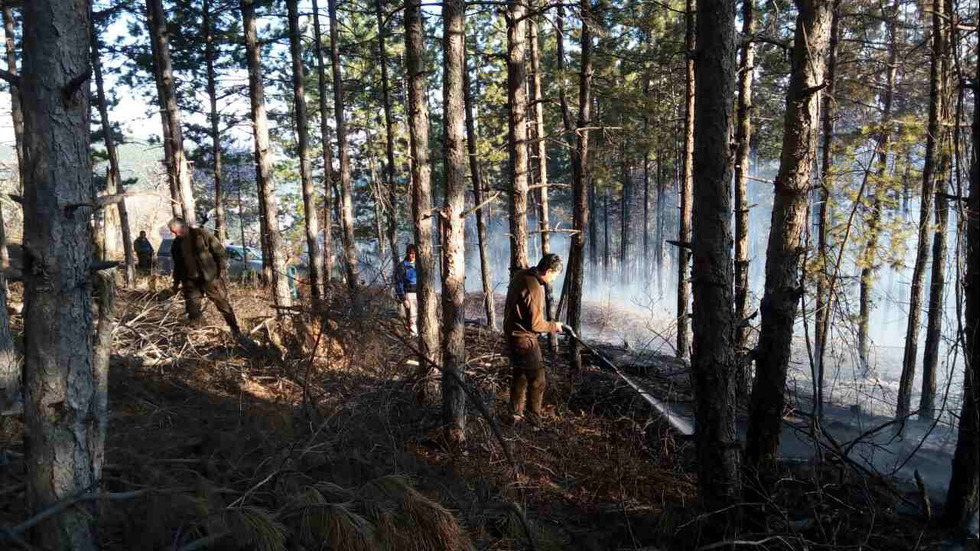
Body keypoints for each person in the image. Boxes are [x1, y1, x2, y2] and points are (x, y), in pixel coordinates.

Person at [502, 253, 573, 425]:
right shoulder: (535, 289)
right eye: (555, 275)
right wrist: (556, 326)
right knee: (538, 379)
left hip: (512, 335)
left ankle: (515, 415)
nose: (555, 279)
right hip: (524, 339)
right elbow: (536, 324)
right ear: (548, 271)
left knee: (520, 375)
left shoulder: (521, 275)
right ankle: (534, 421)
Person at [169, 218, 243, 338]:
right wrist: (176, 283)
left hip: (210, 278)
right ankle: (203, 333)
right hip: (190, 282)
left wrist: (220, 271)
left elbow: (220, 252)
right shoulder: (176, 244)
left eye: (177, 231)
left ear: (184, 227)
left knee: (222, 304)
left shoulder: (201, 234)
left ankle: (235, 330)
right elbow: (177, 265)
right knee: (192, 310)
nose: (176, 234)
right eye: (174, 232)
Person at [395, 244, 419, 336]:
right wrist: (403, 298)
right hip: (409, 294)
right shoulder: (402, 266)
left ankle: (421, 334)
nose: (412, 255)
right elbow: (398, 283)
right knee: (412, 316)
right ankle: (413, 336)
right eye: (410, 253)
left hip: (421, 293)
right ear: (407, 254)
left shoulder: (420, 264)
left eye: (414, 253)